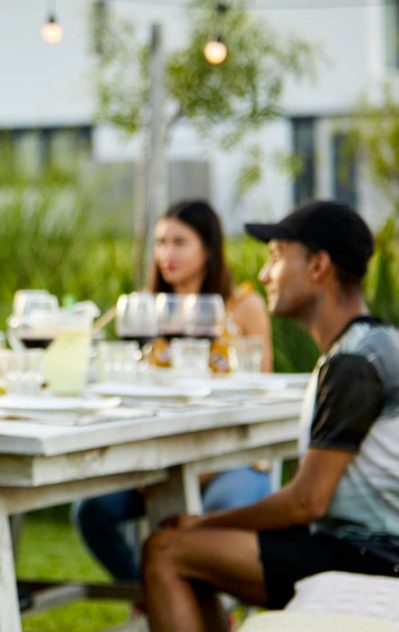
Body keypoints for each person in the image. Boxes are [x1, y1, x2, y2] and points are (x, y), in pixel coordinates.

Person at [143, 200, 399, 632]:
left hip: (379, 555)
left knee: (166, 550)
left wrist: (202, 524)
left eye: (277, 255)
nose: (265, 272)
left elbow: (306, 502)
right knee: (190, 552)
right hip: (384, 545)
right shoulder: (368, 346)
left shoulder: (355, 362)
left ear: (317, 267)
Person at [73, 199, 274, 583]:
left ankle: (203, 612)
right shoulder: (146, 310)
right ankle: (152, 592)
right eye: (161, 242)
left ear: (209, 249)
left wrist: (196, 470)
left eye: (180, 242)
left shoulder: (244, 305)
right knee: (91, 511)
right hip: (159, 459)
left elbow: (257, 388)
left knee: (213, 513)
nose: (167, 253)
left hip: (229, 455)